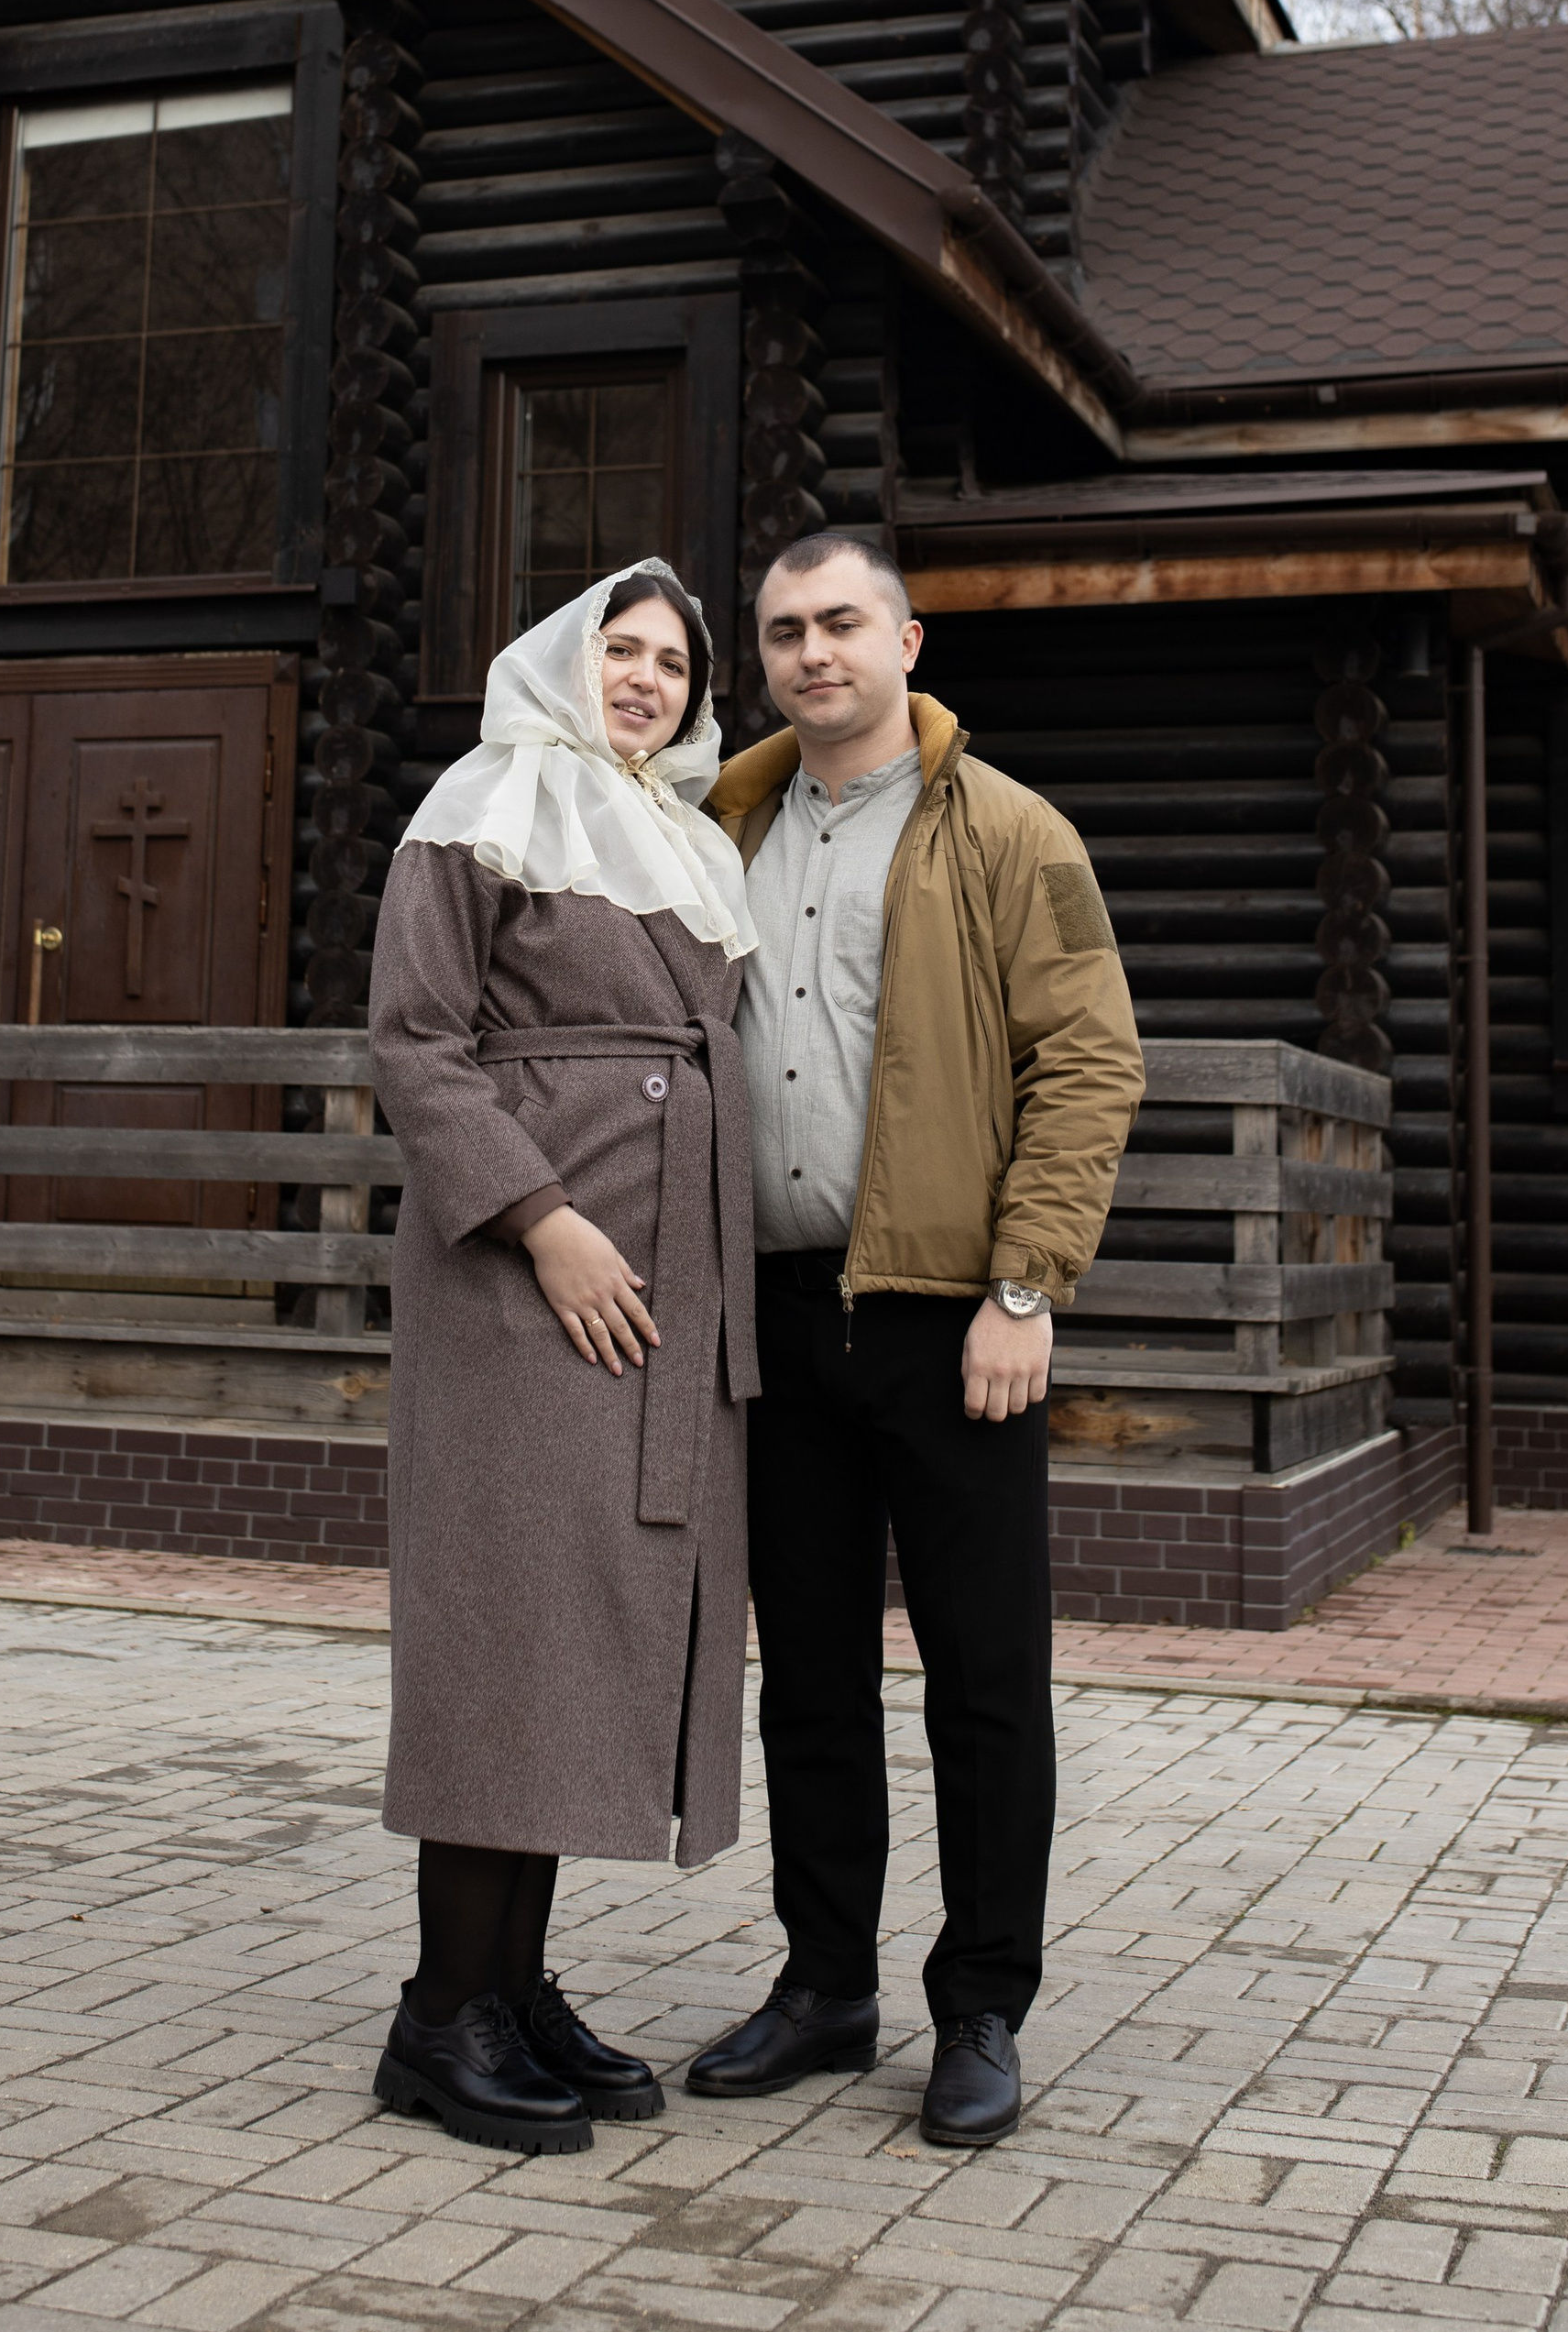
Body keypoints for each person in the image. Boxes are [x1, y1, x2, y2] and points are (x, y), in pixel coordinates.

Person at [688, 531, 1144, 2149]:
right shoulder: (710, 828)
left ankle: (980, 2010)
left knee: (985, 1688)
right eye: (785, 631)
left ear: (908, 640)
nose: (814, 653)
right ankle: (825, 1988)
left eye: (842, 625)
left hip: (956, 1327)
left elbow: (1091, 1065)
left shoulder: (1011, 833)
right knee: (807, 1679)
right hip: (777, 1316)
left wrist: (1027, 1289)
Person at [366, 559, 759, 2156]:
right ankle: (438, 2018)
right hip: (527, 1294)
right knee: (504, 1635)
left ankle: (509, 1986)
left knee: (577, 1637)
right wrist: (539, 1217)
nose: (649, 679)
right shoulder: (486, 797)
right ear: (561, 658)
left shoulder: (683, 834)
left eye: (673, 661)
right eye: (623, 649)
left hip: (659, 1294)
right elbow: (412, 1041)